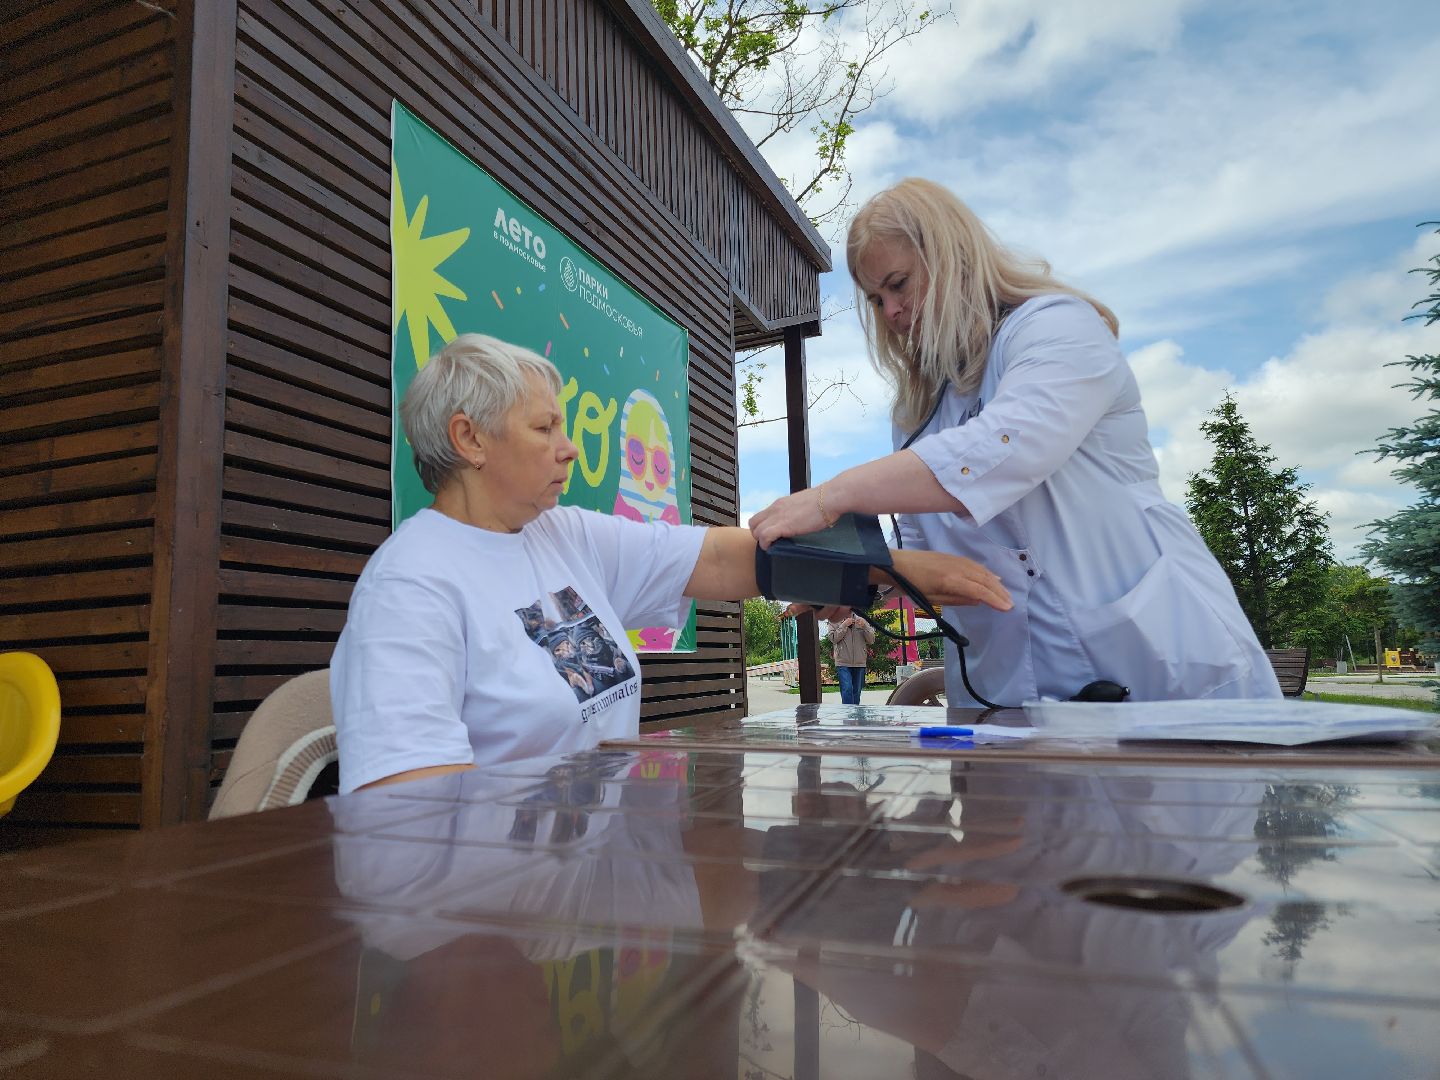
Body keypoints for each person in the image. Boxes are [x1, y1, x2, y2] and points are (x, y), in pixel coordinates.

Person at [331, 333, 1013, 793]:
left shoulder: (564, 535)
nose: (569, 448)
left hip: (596, 890)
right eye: (545, 428)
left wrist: (889, 569)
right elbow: (406, 815)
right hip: (498, 923)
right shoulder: (410, 588)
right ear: (469, 439)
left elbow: (718, 559)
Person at [749, 179, 1281, 705]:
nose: (890, 312)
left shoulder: (1057, 328)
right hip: (1004, 691)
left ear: (955, 258)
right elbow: (928, 559)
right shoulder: (917, 409)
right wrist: (858, 584)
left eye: (899, 284)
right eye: (876, 298)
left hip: (1158, 668)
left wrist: (831, 497)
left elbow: (1005, 448)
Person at [827, 608, 876, 704]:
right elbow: (833, 638)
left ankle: (855, 711)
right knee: (847, 689)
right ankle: (848, 712)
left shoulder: (862, 620)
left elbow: (871, 640)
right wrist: (844, 625)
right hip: (843, 662)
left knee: (856, 692)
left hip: (859, 662)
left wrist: (865, 626)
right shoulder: (834, 621)